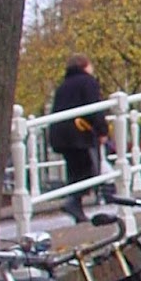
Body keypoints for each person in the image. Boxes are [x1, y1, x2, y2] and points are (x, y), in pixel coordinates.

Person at [48, 55, 108, 221]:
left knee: (74, 169)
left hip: (61, 133)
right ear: (84, 65)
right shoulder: (88, 82)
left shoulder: (63, 86)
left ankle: (77, 208)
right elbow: (94, 107)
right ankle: (74, 202)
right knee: (87, 168)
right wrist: (102, 130)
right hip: (78, 132)